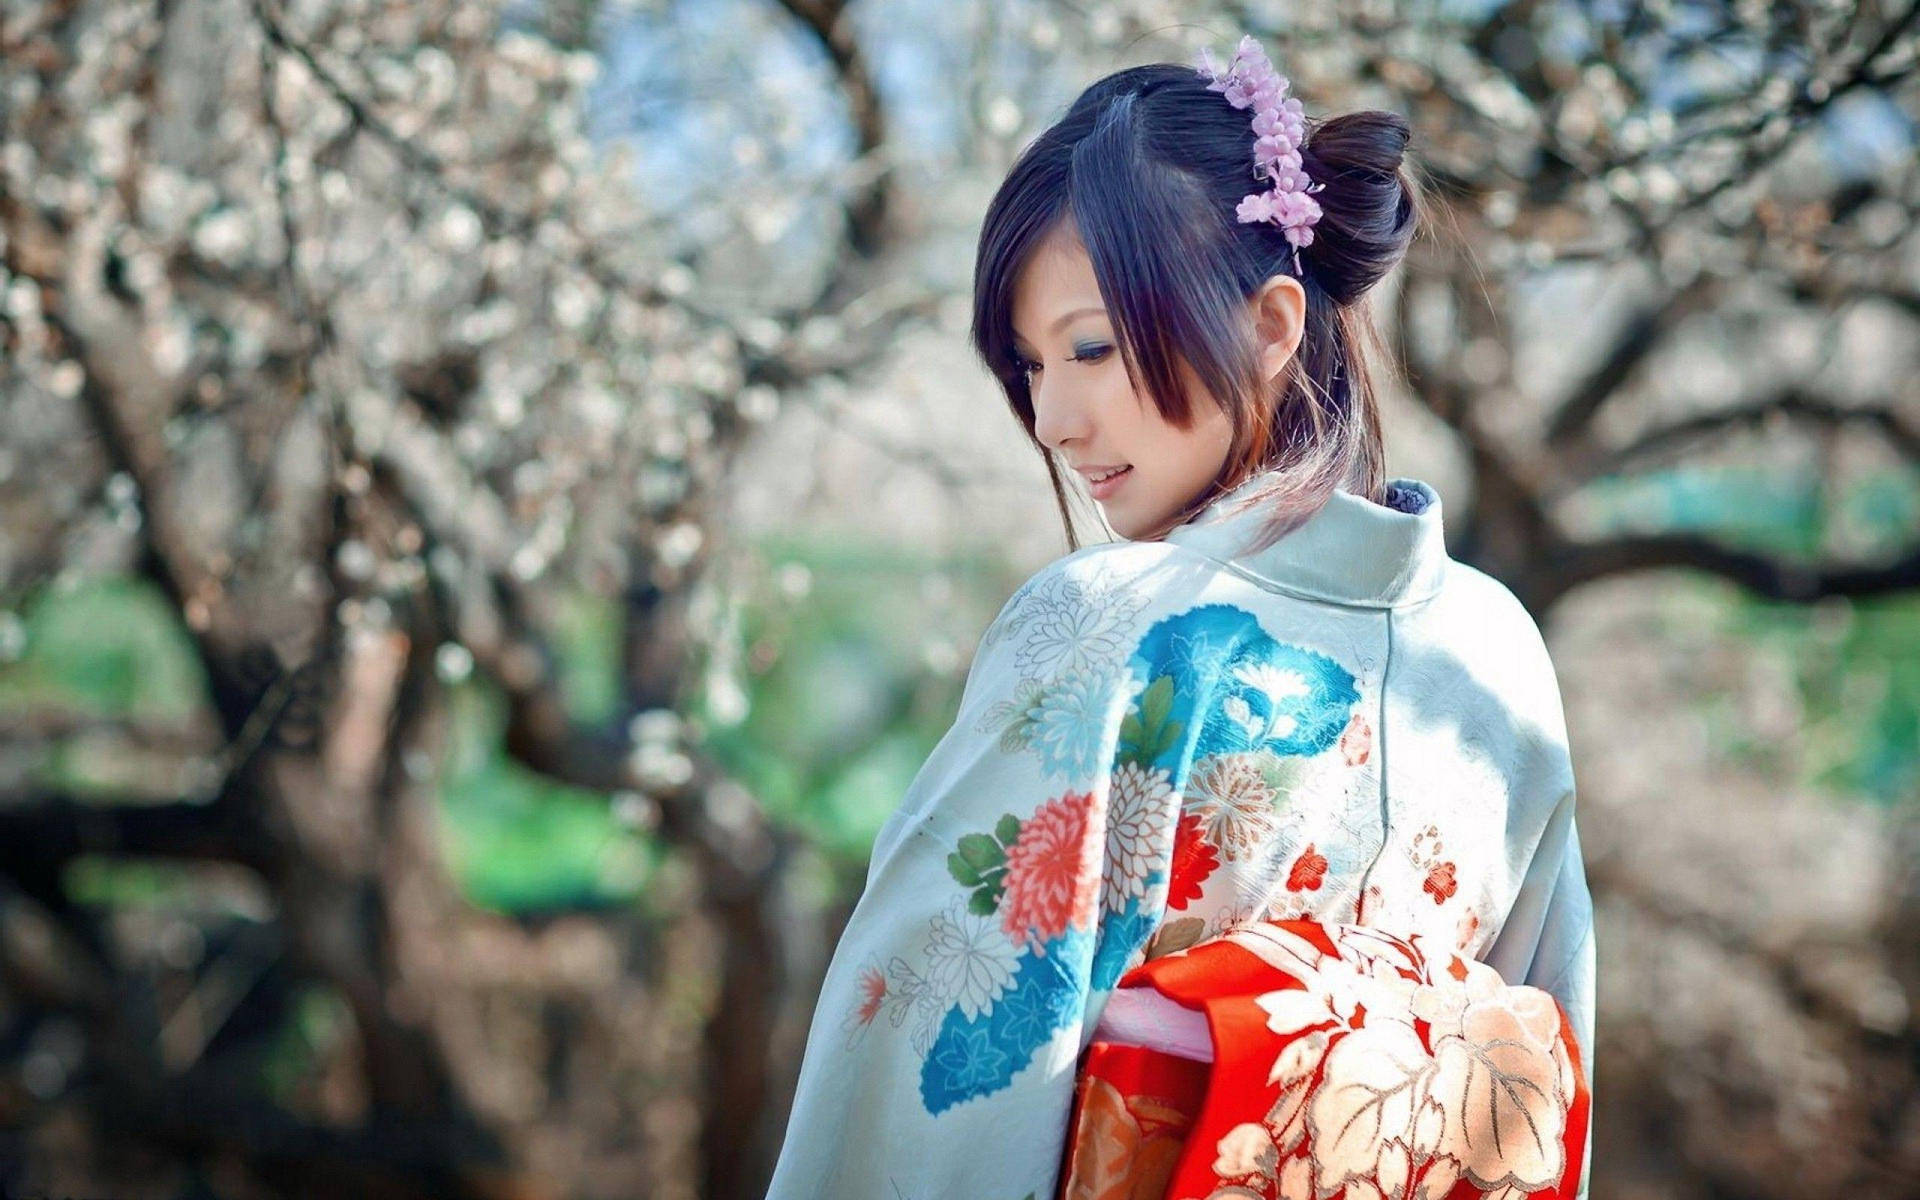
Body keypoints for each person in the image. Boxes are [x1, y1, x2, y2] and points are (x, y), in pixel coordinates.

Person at [765, 35, 1594, 1200]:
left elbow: (920, 1087)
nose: (1052, 417)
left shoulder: (1110, 628)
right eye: (1031, 365)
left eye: (1092, 346)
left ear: (1269, 325)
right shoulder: (1500, 651)